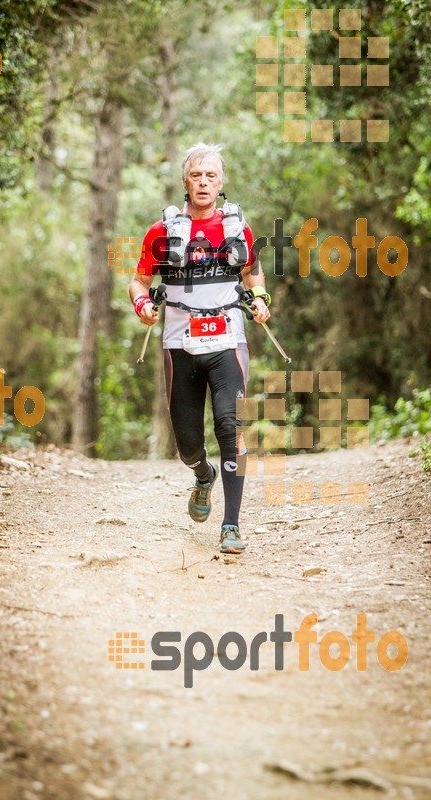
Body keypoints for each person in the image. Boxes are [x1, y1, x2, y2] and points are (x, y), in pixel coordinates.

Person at [129, 142, 271, 554]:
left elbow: (252, 271)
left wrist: (260, 298)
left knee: (232, 426)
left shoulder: (235, 227)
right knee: (188, 444)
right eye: (196, 175)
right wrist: (142, 303)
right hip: (179, 346)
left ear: (221, 182)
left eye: (211, 175)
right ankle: (203, 474)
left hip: (229, 341)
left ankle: (231, 525)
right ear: (185, 182)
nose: (204, 182)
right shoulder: (162, 232)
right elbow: (139, 281)